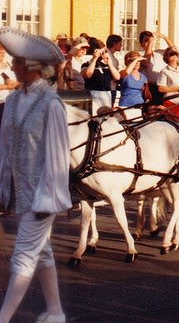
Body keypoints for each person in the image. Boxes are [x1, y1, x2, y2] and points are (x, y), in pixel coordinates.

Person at [0, 27, 71, 323]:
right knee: (41, 253)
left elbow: (58, 156)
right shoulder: (14, 101)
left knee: (23, 255)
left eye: (16, 62)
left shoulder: (51, 104)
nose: (11, 67)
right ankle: (55, 312)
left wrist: (49, 197)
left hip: (42, 195)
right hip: (19, 193)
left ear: (31, 67)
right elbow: (6, 147)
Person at [82, 39, 120, 114]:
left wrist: (109, 63)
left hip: (106, 95)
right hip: (93, 95)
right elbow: (87, 74)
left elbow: (117, 77)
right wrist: (94, 59)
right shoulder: (86, 64)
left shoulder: (107, 66)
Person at [139, 31, 175, 105]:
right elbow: (146, 62)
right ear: (141, 43)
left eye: (150, 40)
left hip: (162, 86)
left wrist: (163, 36)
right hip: (150, 88)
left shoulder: (158, 53)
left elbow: (173, 50)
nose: (149, 42)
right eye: (146, 41)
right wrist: (150, 43)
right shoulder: (139, 55)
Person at [118, 50, 147, 120]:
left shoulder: (143, 76)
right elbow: (126, 72)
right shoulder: (123, 73)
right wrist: (136, 59)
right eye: (135, 61)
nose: (137, 63)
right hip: (126, 105)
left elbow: (145, 92)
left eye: (139, 61)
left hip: (139, 106)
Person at [0, 44, 19, 126]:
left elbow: (9, 80)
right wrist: (7, 87)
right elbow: (8, 84)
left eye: (3, 52)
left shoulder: (7, 63)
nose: (2, 54)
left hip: (10, 101)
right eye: (0, 52)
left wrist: (20, 84)